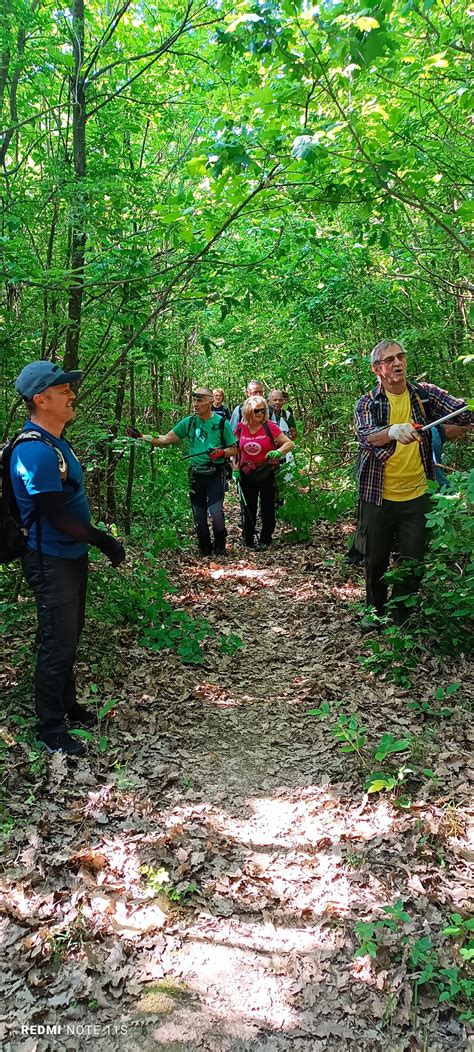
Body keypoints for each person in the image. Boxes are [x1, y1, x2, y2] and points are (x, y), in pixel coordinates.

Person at [10, 360, 126, 756]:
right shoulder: (34, 452)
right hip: (48, 557)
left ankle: (67, 705)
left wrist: (91, 543)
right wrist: (104, 541)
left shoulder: (57, 441)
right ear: (41, 400)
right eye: (63, 392)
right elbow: (57, 518)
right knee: (57, 640)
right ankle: (50, 728)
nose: (72, 395)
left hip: (69, 556)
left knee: (69, 633)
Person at [354, 339, 472, 628]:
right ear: (376, 369)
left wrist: (465, 413)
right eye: (389, 359)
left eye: (401, 357)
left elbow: (463, 411)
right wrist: (392, 431)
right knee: (375, 560)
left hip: (418, 494)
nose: (397, 363)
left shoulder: (424, 394)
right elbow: (367, 436)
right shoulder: (368, 402)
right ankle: (375, 613)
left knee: (413, 562)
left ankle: (401, 620)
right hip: (377, 495)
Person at [129, 388, 236, 557]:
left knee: (216, 512)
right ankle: (204, 547)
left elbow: (233, 449)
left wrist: (221, 453)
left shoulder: (223, 424)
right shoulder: (189, 422)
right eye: (194, 401)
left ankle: (220, 544)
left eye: (200, 401)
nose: (196, 404)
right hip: (196, 474)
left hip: (215, 473)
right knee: (198, 513)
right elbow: (165, 439)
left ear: (210, 401)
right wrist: (141, 436)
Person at [233, 395, 294, 550]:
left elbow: (289, 443)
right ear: (248, 411)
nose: (260, 413)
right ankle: (249, 539)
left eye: (262, 410)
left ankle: (265, 538)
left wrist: (278, 452)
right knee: (248, 507)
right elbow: (235, 449)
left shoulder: (269, 426)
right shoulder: (241, 427)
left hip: (267, 471)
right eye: (256, 410)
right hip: (247, 472)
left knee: (267, 506)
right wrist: (235, 469)